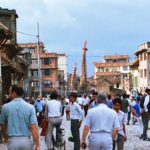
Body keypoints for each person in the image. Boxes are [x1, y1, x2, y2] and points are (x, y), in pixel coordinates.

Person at [1, 85, 40, 150]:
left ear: (14, 93)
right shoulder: (30, 107)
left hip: (12, 141)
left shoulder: (5, 107)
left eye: (10, 92)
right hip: (27, 141)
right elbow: (33, 127)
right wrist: (37, 144)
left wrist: (5, 137)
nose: (9, 95)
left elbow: (3, 125)